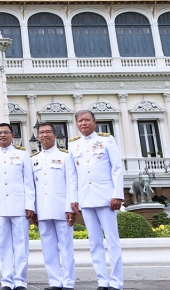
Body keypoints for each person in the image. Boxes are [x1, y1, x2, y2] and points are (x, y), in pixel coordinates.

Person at [69, 110, 124, 290]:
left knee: (112, 240)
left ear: (95, 122)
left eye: (87, 120)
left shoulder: (106, 140)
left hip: (106, 198)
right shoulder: (73, 145)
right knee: (94, 242)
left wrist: (117, 195)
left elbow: (116, 168)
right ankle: (102, 280)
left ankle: (116, 281)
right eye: (80, 121)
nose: (83, 123)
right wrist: (74, 198)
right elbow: (72, 175)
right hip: (85, 198)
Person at [0, 123, 35, 290]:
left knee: (21, 245)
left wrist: (30, 204)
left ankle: (20, 280)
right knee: (3, 245)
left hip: (19, 206)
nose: (3, 135)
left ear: (12, 136)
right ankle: (6, 280)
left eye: (6, 132)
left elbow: (28, 182)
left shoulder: (22, 154)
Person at [32, 123, 77, 290]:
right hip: (42, 209)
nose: (45, 135)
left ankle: (68, 283)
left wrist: (70, 208)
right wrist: (34, 210)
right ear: (38, 136)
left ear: (55, 135)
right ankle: (55, 281)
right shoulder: (33, 159)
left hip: (61, 209)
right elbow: (32, 187)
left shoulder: (65, 156)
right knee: (48, 248)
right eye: (41, 132)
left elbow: (71, 183)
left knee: (66, 246)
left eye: (48, 132)